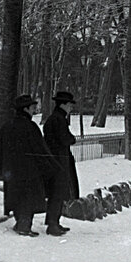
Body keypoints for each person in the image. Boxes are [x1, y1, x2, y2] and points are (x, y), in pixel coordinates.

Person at [0, 95, 63, 235]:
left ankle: (20, 224)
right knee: (28, 199)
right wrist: (51, 166)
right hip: (29, 171)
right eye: (32, 107)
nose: (34, 110)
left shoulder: (8, 125)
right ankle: (24, 226)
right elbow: (40, 149)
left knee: (16, 197)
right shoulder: (30, 126)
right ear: (26, 109)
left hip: (11, 171)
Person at [41, 90, 78, 234]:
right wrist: (71, 139)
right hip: (58, 161)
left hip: (56, 160)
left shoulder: (56, 118)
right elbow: (65, 138)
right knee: (57, 192)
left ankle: (54, 221)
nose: (71, 107)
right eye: (69, 104)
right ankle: (52, 224)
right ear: (62, 104)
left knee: (57, 193)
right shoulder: (58, 119)